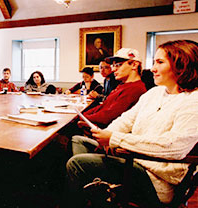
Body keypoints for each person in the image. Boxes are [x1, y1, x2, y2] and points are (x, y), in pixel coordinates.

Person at [65, 40, 198, 207]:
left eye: (160, 62)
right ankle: (100, 191)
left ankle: (96, 193)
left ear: (182, 65)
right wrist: (106, 138)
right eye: (154, 62)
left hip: (155, 177)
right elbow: (126, 120)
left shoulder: (194, 101)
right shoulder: (155, 93)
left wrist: (114, 139)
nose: (153, 68)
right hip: (131, 158)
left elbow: (174, 147)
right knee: (78, 141)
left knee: (76, 164)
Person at [80, 48, 146, 128]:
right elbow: (103, 106)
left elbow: (108, 117)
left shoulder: (135, 89)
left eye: (118, 65)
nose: (114, 69)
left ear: (134, 65)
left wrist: (83, 117)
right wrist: (83, 115)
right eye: (113, 66)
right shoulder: (122, 85)